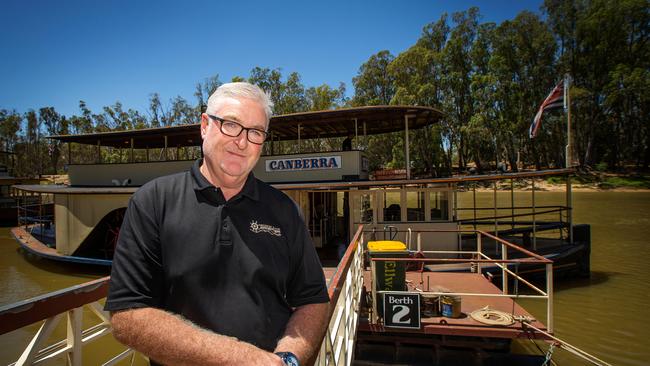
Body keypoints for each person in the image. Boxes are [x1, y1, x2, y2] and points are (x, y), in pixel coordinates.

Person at [105, 82, 330, 366]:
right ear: (204, 126)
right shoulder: (153, 201)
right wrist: (240, 358)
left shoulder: (285, 210)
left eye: (256, 132)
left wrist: (287, 358)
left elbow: (313, 300)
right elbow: (127, 316)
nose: (242, 141)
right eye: (231, 125)